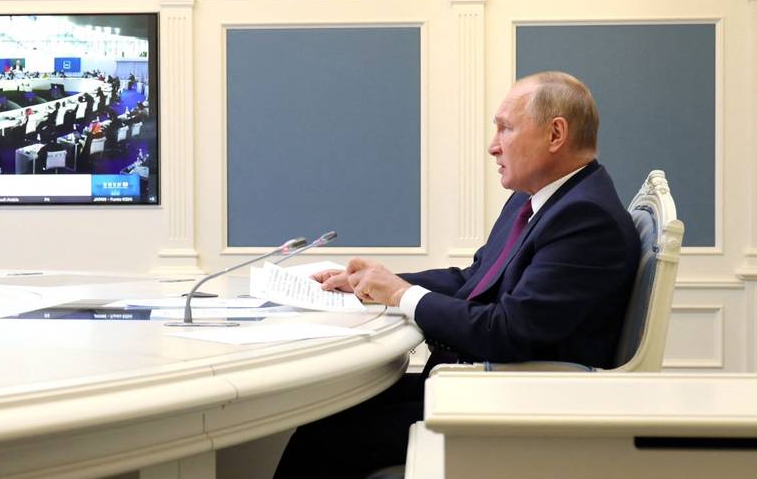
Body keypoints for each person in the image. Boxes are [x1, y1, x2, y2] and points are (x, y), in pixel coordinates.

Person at [273, 72, 640, 479]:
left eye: (506, 128)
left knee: (324, 441)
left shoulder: (585, 219)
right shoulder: (542, 199)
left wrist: (401, 295)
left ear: (555, 134)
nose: (492, 146)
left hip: (514, 408)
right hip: (478, 386)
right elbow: (476, 277)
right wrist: (377, 283)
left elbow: (510, 331)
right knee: (327, 414)